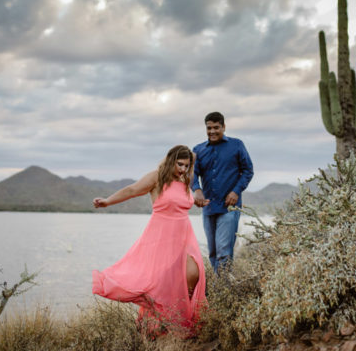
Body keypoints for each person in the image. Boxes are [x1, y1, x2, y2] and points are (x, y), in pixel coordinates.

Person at [92, 145, 206, 336]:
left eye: (187, 166)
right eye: (180, 164)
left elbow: (180, 200)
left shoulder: (185, 178)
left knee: (193, 273)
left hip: (184, 234)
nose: (183, 169)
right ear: (170, 160)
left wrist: (196, 199)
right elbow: (132, 190)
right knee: (160, 282)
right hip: (161, 235)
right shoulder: (157, 177)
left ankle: (177, 317)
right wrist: (107, 201)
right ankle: (161, 325)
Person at [192, 112, 254, 273]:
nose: (212, 131)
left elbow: (248, 170)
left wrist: (236, 191)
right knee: (212, 252)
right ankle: (218, 289)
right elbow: (192, 174)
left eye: (216, 127)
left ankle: (224, 290)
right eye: (209, 128)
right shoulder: (198, 150)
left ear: (224, 127)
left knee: (224, 252)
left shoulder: (237, 145)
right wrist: (196, 189)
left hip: (229, 207)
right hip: (208, 207)